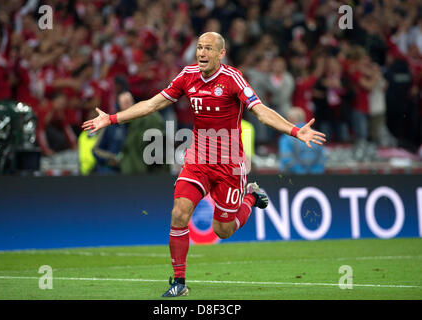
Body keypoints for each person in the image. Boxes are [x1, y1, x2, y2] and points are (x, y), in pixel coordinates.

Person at [82, 32, 326, 297]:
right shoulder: (187, 75)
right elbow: (153, 103)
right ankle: (179, 282)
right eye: (199, 47)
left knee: (223, 229)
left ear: (221, 54)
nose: (202, 53)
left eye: (208, 49)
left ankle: (251, 198)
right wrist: (112, 118)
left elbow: (261, 112)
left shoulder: (232, 79)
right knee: (179, 213)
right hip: (198, 158)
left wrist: (295, 130)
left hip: (229, 164)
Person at [279, 107, 325, 174]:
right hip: (315, 177)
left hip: (292, 178)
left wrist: (301, 172)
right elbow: (322, 157)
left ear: (290, 120)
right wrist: (315, 172)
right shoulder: (315, 134)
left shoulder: (286, 137)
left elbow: (286, 158)